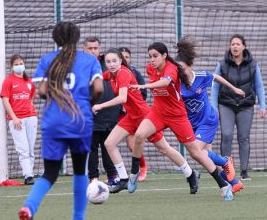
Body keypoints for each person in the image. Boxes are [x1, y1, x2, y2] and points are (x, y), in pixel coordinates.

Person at [18, 21, 103, 220]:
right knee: (80, 172)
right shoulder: (89, 60)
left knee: (49, 173)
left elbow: (41, 91)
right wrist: (86, 102)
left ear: (56, 39)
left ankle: (29, 207)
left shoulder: (48, 59)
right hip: (80, 120)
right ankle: (78, 217)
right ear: (77, 38)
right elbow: (99, 88)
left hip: (54, 121)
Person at [129, 42, 234, 201]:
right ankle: (134, 173)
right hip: (158, 113)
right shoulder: (150, 68)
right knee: (138, 135)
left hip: (177, 116)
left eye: (155, 56)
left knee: (196, 153)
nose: (152, 60)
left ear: (164, 56)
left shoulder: (171, 68)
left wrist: (144, 86)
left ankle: (224, 185)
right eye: (150, 56)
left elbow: (165, 82)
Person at [93, 48, 198, 194]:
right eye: (108, 62)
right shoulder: (110, 75)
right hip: (131, 117)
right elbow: (98, 77)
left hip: (144, 116)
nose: (111, 64)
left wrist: (100, 105)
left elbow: (122, 98)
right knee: (109, 143)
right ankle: (123, 179)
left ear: (121, 61)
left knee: (164, 148)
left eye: (114, 61)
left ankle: (190, 173)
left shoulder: (123, 73)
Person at [175, 36, 245, 194]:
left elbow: (216, 77)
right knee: (206, 158)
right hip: (193, 124)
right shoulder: (176, 84)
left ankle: (225, 161)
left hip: (208, 120)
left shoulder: (200, 77)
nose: (181, 73)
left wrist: (234, 88)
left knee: (196, 152)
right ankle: (234, 183)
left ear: (190, 67)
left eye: (183, 69)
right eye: (178, 70)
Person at [211, 34, 266, 181]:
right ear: (230, 47)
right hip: (226, 104)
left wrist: (262, 105)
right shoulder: (222, 64)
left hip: (246, 105)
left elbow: (259, 86)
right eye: (233, 44)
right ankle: (226, 169)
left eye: (238, 44)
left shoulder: (253, 65)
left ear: (244, 46)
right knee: (227, 135)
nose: (235, 46)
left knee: (243, 137)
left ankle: (244, 171)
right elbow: (215, 86)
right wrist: (214, 106)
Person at [83, 37, 119, 186]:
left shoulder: (108, 63)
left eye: (95, 48)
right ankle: (93, 178)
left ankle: (112, 176)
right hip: (91, 116)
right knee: (91, 148)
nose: (93, 51)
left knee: (109, 146)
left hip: (110, 114)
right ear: (84, 49)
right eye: (90, 48)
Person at [0, 54, 37, 186]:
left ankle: (30, 173)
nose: (19, 66)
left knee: (31, 149)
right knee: (23, 148)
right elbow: (5, 100)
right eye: (16, 64)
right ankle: (28, 175)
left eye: (20, 63)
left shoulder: (29, 81)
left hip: (31, 118)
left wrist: (31, 111)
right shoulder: (8, 81)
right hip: (17, 120)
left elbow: (31, 97)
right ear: (11, 66)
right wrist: (14, 118)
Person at [119, 47, 148, 182]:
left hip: (134, 114)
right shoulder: (112, 74)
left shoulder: (134, 72)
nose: (125, 59)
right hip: (117, 114)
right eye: (122, 56)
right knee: (108, 143)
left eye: (127, 57)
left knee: (133, 144)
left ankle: (142, 167)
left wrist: (129, 105)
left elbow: (143, 93)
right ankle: (114, 174)